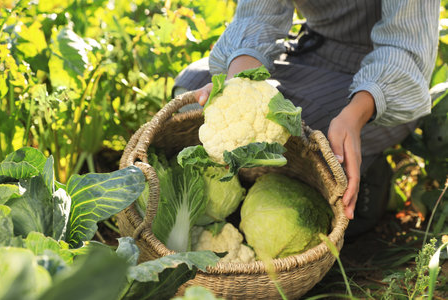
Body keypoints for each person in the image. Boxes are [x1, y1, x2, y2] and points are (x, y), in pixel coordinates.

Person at [173, 0, 440, 237]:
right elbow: (258, 13)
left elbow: (406, 46)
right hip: (314, 51)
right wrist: (237, 90)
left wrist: (354, 118)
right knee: (192, 89)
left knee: (297, 133)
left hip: (383, 85)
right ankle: (296, 179)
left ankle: (367, 176)